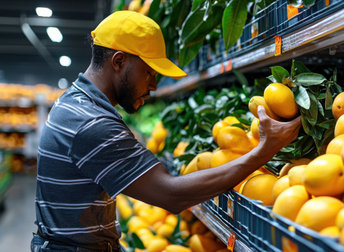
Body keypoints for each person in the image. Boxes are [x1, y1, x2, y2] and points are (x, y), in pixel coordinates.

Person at [31, 10, 301, 252]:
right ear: (119, 62)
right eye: (149, 73)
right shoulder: (92, 123)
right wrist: (264, 151)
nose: (154, 86)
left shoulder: (76, 101)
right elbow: (171, 194)